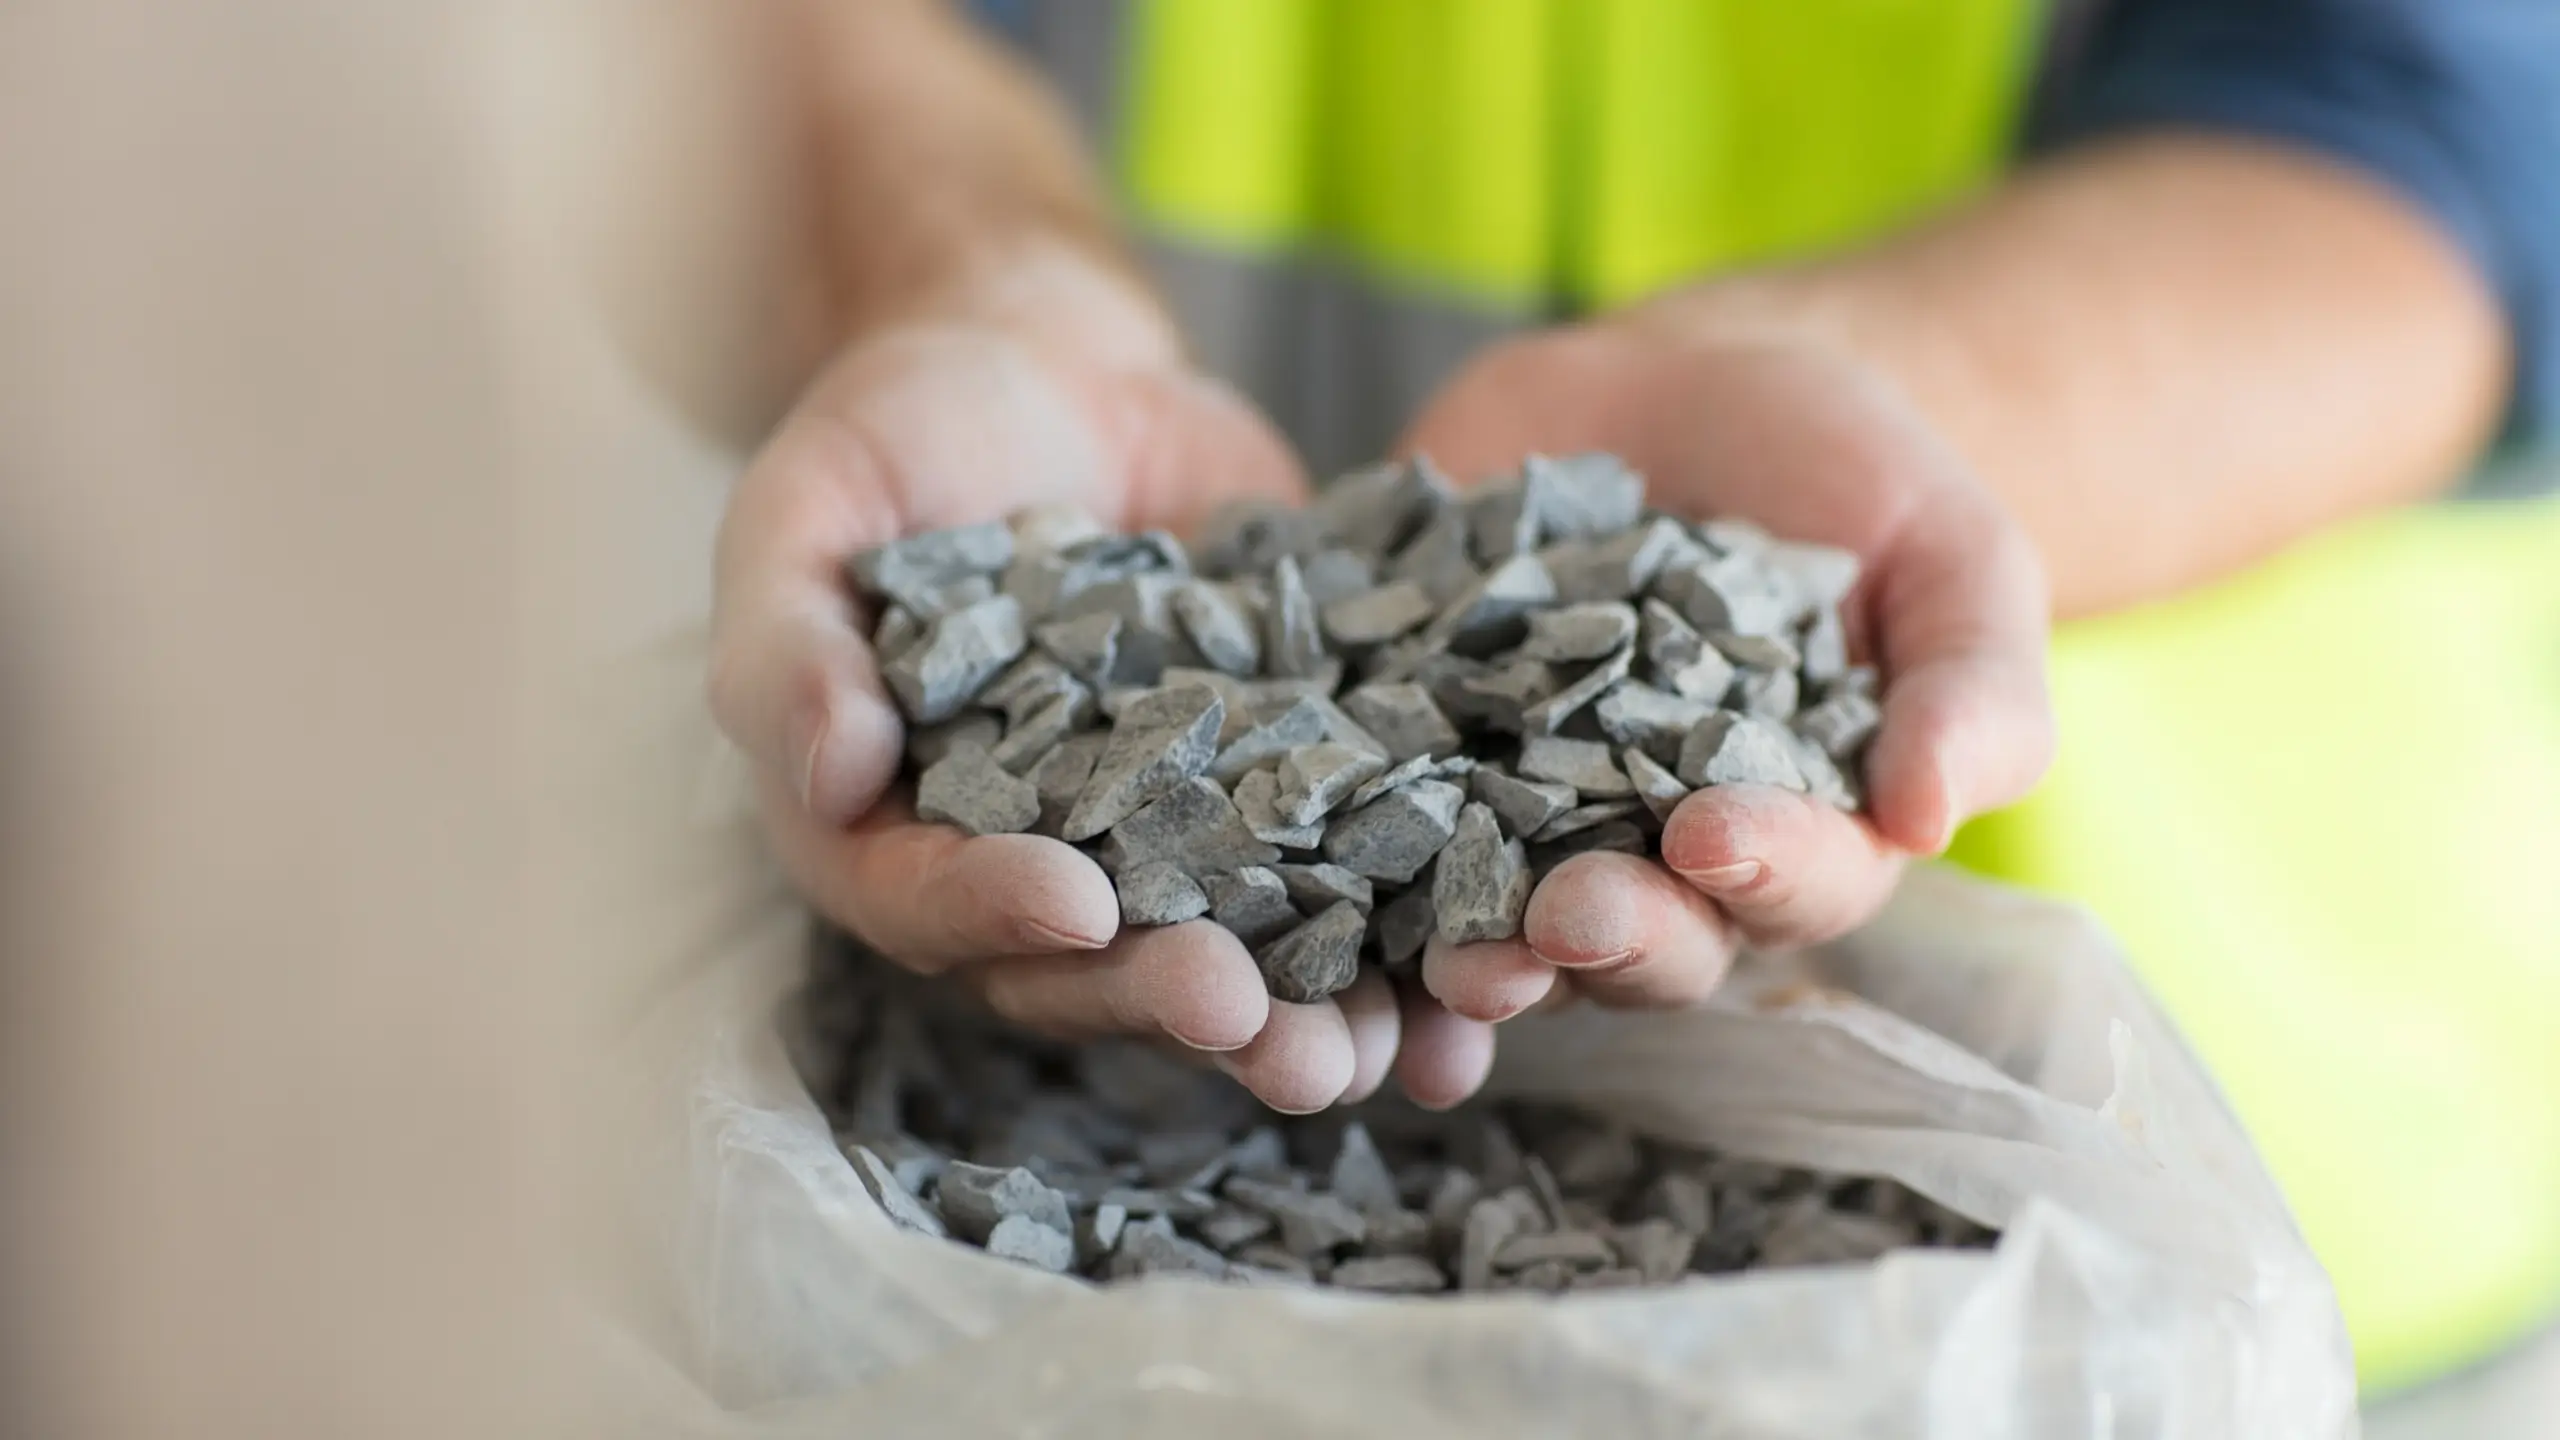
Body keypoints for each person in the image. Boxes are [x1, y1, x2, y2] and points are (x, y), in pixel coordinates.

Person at [703, 0, 2560, 1388]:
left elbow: (2446, 121)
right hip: (1048, 1179)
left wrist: (1859, 398)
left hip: (2263, 1216)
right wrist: (960, 279)